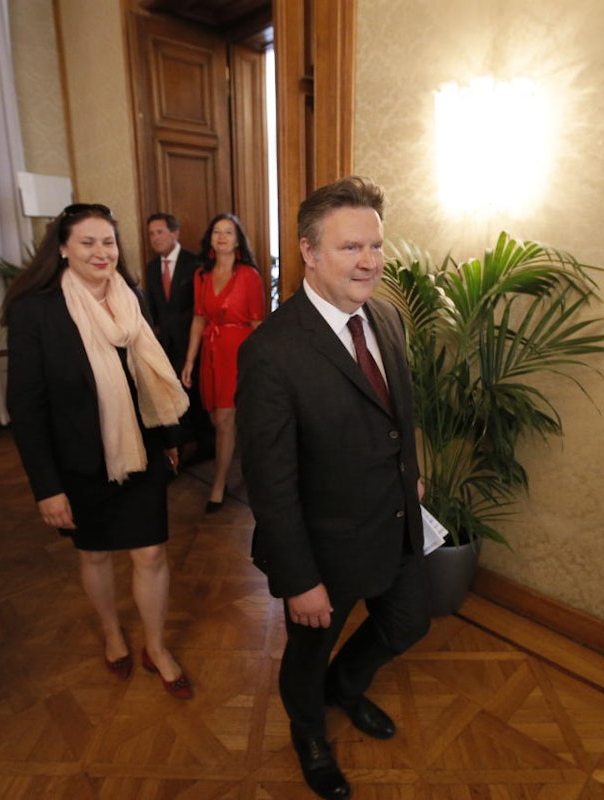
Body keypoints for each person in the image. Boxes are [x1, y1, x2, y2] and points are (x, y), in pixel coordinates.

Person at [235, 176, 430, 800]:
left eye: (376, 245)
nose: (370, 261)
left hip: (394, 523)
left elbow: (397, 411)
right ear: (310, 252)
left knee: (409, 623)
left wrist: (411, 472)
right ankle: (309, 730)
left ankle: (344, 689)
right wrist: (299, 580)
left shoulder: (387, 318)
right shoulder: (271, 352)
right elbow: (271, 482)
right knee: (307, 654)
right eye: (351, 247)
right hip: (324, 549)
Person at [0, 203, 194, 700]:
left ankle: (156, 645)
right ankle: (111, 631)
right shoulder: (35, 310)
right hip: (80, 460)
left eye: (108, 242)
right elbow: (26, 407)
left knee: (151, 552)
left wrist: (171, 439)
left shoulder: (131, 296)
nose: (101, 252)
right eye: (87, 242)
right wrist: (47, 488)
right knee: (95, 554)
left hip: (142, 449)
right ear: (63, 249)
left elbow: (153, 375)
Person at [181, 213, 265, 512]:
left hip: (239, 353)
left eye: (228, 232)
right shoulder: (201, 275)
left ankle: (218, 485)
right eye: (217, 231)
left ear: (238, 240)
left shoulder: (249, 276)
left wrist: (261, 365)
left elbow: (258, 325)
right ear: (211, 239)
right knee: (218, 419)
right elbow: (198, 319)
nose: (222, 236)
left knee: (227, 420)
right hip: (212, 352)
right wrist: (190, 360)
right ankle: (238, 467)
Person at [143, 213, 212, 463]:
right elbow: (152, 309)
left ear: (175, 233)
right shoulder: (152, 268)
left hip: (194, 344)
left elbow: (202, 308)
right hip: (165, 347)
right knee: (172, 397)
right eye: (151, 234)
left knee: (197, 398)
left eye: (159, 232)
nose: (155, 238)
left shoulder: (194, 263)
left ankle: (206, 448)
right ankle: (179, 449)